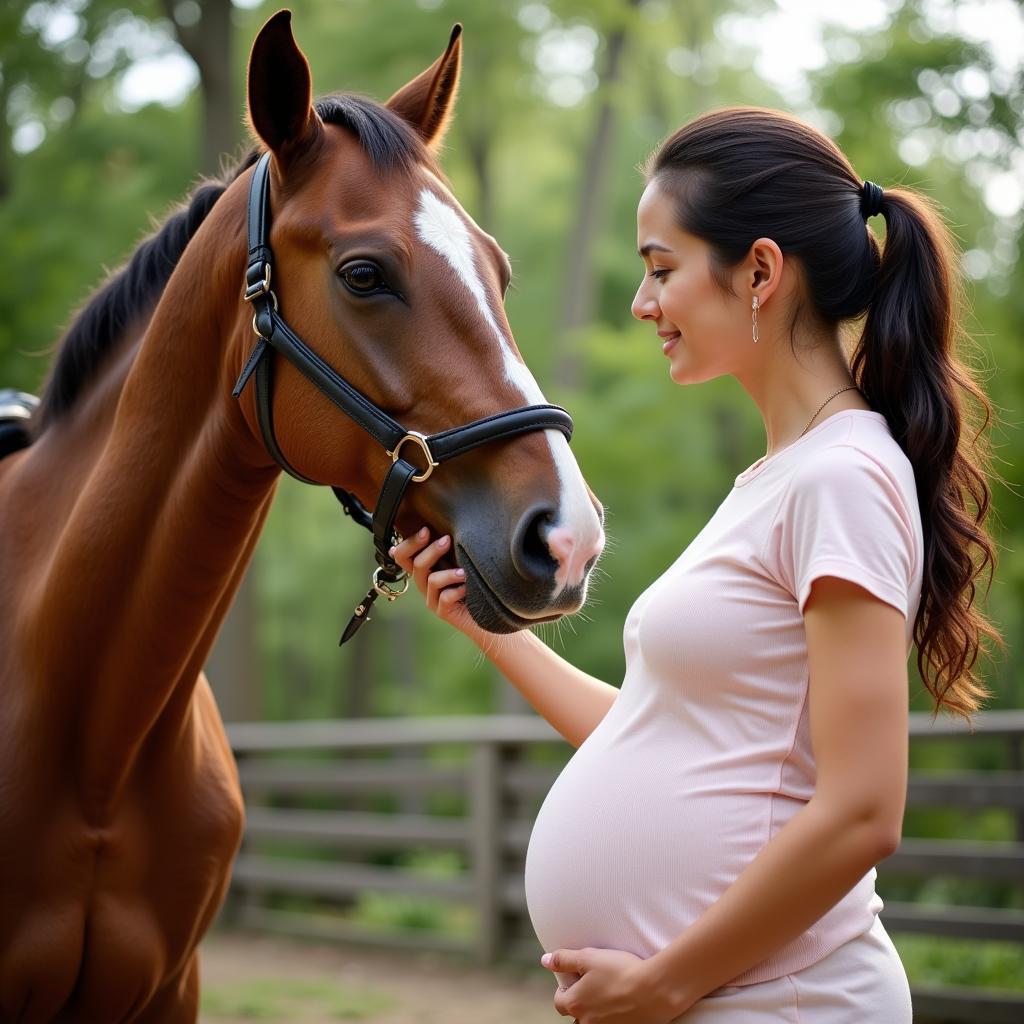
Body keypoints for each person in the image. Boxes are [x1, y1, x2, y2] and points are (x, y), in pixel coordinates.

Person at [389, 106, 1003, 1023]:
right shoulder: (776, 478)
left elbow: (866, 808)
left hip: (780, 1003)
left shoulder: (843, 475)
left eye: (661, 270)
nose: (642, 304)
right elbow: (656, 734)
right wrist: (492, 631)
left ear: (758, 270)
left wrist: (670, 977)